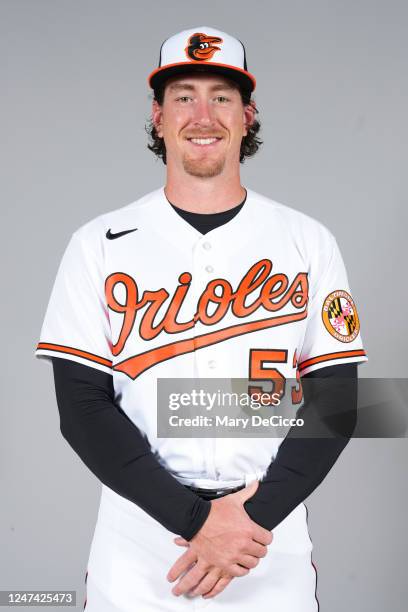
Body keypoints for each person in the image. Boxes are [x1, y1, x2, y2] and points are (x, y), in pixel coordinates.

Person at [36, 26, 368, 611]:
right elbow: (81, 408)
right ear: (158, 116)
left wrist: (246, 524)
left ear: (248, 115)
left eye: (222, 96)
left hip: (267, 535)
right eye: (183, 95)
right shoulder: (98, 244)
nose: (203, 113)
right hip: (140, 536)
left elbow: (337, 400)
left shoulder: (306, 240)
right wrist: (195, 521)